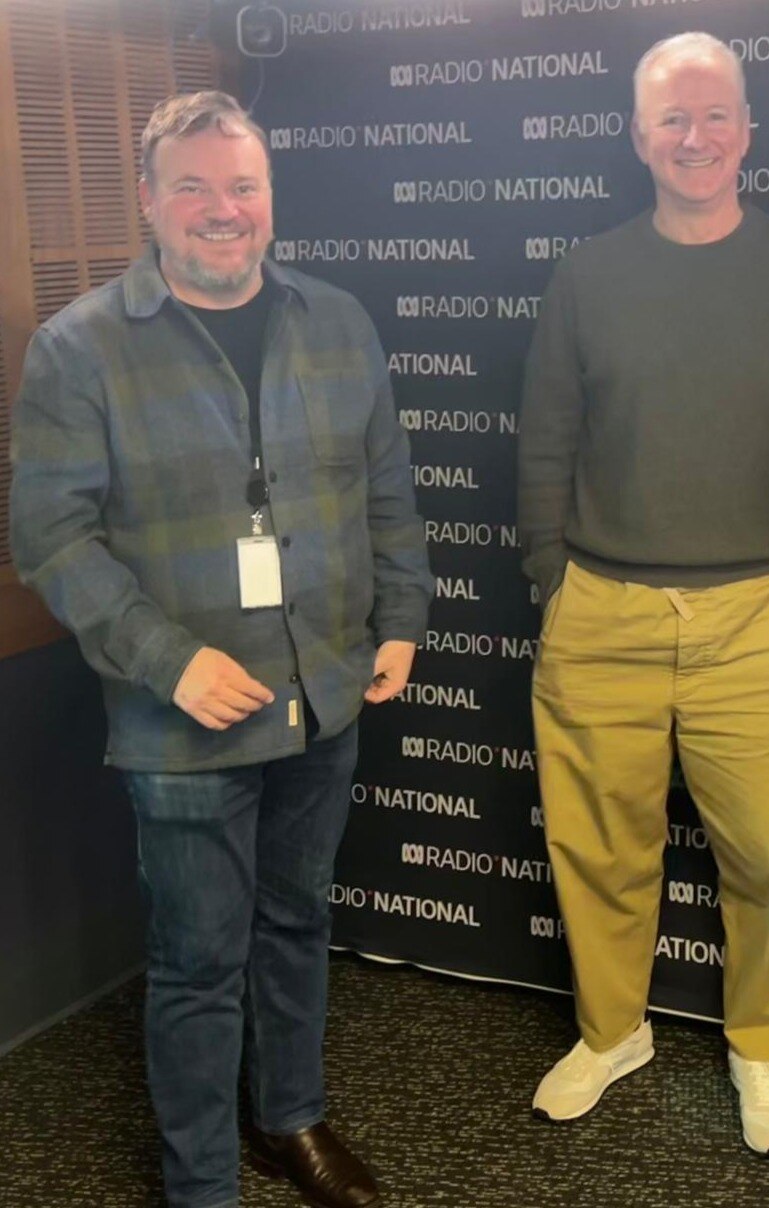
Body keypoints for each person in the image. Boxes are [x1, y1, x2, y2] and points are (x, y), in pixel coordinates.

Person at [10, 91, 434, 1208]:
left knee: (296, 921)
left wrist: (401, 616)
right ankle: (199, 1178)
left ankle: (286, 1117)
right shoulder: (78, 347)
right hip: (180, 719)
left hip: (321, 690)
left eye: (242, 185)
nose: (221, 209)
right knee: (198, 962)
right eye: (192, 186)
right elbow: (47, 535)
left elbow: (383, 488)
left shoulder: (337, 321)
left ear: (270, 200)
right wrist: (168, 658)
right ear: (148, 202)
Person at [517, 32, 769, 1156]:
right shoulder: (588, 274)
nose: (693, 135)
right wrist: (549, 573)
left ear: (747, 130)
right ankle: (611, 1029)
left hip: (762, 607)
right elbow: (546, 439)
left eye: (714, 114)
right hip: (602, 608)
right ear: (636, 138)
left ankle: (761, 1043)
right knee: (598, 845)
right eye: (670, 118)